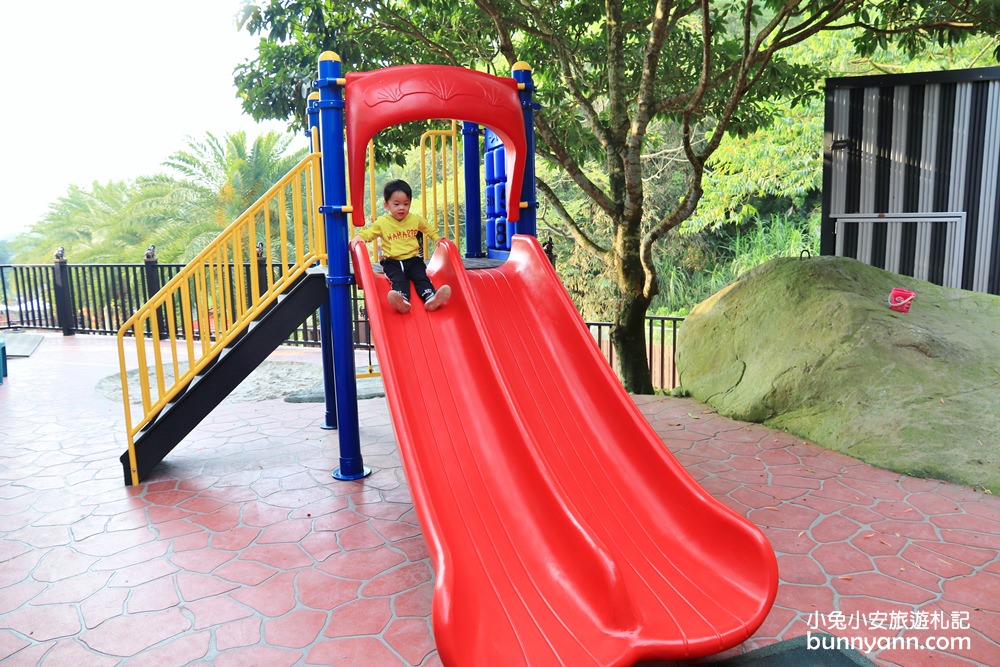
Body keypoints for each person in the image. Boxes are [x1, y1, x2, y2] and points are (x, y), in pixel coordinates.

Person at [357, 179, 452, 314]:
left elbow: (428, 228)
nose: (402, 207)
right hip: (392, 261)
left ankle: (431, 298)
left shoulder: (414, 219)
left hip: (413, 259)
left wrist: (437, 238)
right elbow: (370, 233)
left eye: (406, 204)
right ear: (386, 205)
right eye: (396, 204)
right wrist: (360, 237)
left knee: (421, 277)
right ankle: (401, 301)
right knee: (398, 280)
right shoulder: (382, 223)